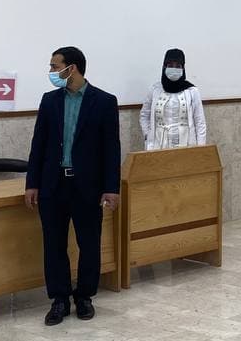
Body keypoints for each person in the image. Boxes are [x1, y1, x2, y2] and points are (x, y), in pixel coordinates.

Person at [24, 47, 120, 326]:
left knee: (89, 243)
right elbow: (38, 145)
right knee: (53, 244)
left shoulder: (104, 102)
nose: (51, 72)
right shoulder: (50, 101)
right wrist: (32, 183)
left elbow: (111, 148)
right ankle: (59, 299)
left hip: (87, 186)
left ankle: (85, 297)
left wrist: (111, 188)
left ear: (72, 68)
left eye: (55, 67)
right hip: (53, 184)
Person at [139, 48, 207, 151]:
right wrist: (148, 135)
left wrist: (200, 149)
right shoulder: (155, 89)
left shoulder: (192, 91)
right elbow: (144, 115)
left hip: (186, 145)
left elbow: (200, 122)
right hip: (158, 145)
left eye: (178, 66)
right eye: (170, 65)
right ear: (164, 67)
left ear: (183, 68)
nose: (174, 69)